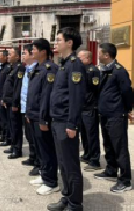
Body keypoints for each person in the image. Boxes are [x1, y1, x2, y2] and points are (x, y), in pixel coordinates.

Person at [48, 27, 86, 211]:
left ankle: (75, 203)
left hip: (66, 122)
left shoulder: (75, 64)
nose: (56, 43)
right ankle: (66, 196)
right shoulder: (64, 64)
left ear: (70, 43)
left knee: (71, 164)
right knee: (62, 163)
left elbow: (76, 97)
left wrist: (72, 124)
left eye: (59, 40)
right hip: (58, 121)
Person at [94, 43, 133, 193]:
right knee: (108, 144)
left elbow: (127, 92)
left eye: (99, 53)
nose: (98, 55)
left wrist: (128, 109)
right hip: (105, 114)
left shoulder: (119, 71)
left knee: (120, 147)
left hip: (116, 115)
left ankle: (125, 180)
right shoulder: (104, 70)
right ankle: (111, 170)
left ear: (106, 55)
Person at [27, 39, 59, 196]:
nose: (32, 51)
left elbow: (47, 96)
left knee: (47, 149)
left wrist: (44, 119)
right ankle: (44, 174)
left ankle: (51, 182)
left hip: (42, 117)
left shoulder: (50, 68)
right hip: (33, 115)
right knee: (40, 148)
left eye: (34, 49)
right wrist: (29, 113)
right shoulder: (37, 68)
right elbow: (33, 94)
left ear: (43, 51)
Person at [12, 44, 40, 176]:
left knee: (35, 138)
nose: (23, 56)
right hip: (25, 107)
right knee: (29, 136)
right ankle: (33, 157)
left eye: (25, 53)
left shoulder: (37, 69)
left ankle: (38, 163)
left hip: (32, 109)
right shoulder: (27, 68)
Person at [77, 50, 101, 171]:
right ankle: (87, 154)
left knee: (92, 134)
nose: (78, 60)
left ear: (87, 58)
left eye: (80, 58)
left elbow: (96, 89)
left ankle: (95, 160)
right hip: (82, 107)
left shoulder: (93, 71)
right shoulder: (81, 70)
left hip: (91, 107)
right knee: (84, 134)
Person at [1, 47, 22, 158]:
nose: (8, 56)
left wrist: (14, 103)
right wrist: (5, 99)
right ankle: (13, 146)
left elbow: (17, 89)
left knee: (16, 127)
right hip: (8, 102)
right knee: (11, 125)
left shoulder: (19, 69)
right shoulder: (12, 68)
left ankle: (17, 149)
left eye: (10, 54)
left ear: (17, 56)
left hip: (14, 104)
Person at [0, 50, 11, 145]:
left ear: (5, 57)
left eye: (0, 56)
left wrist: (3, 98)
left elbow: (6, 86)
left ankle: (7, 138)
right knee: (1, 118)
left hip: (3, 98)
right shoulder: (2, 67)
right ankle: (3, 135)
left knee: (5, 120)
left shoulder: (8, 68)